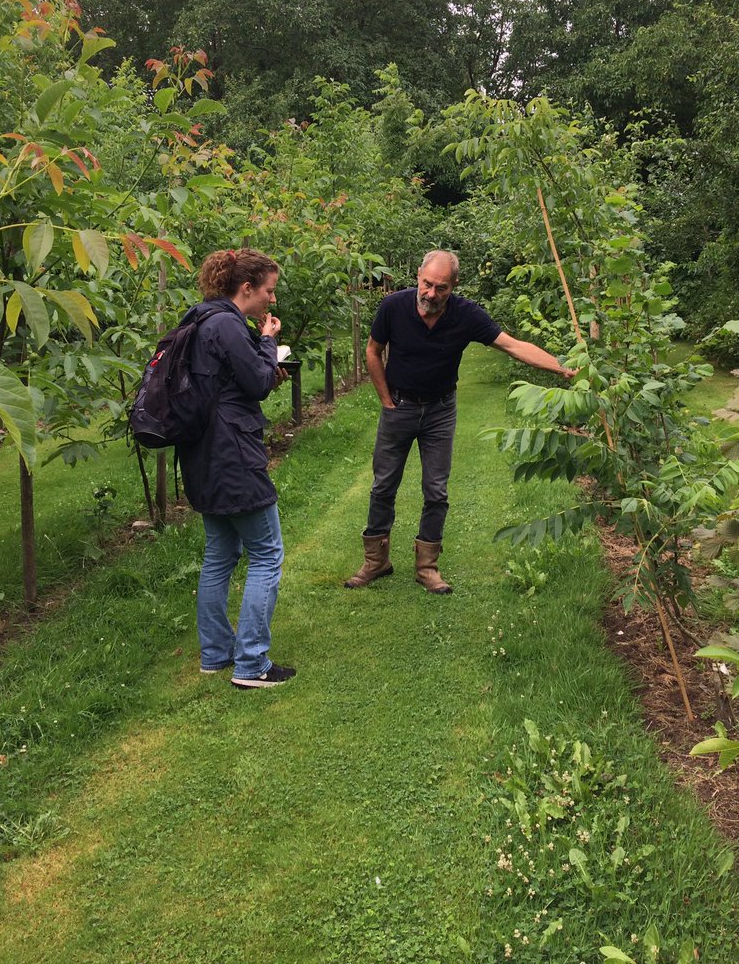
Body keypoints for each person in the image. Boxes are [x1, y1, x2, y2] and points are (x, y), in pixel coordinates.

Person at [345, 249, 576, 595]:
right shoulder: (393, 306)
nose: (431, 294)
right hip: (399, 407)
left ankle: (427, 567)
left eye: (441, 288)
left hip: (439, 411)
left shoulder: (466, 315)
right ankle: (376, 561)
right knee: (383, 486)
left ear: (453, 285)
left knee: (436, 490)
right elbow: (372, 351)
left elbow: (513, 346)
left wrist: (562, 367)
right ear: (418, 276)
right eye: (427, 284)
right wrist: (385, 400)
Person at [177, 248, 296, 689]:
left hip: (201, 454)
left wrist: (263, 363)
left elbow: (231, 384)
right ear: (246, 288)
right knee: (267, 554)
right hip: (233, 455)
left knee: (220, 553)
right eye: (269, 290)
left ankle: (215, 654)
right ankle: (251, 664)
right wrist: (268, 343)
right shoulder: (228, 325)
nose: (271, 299)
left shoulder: (198, 319)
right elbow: (258, 382)